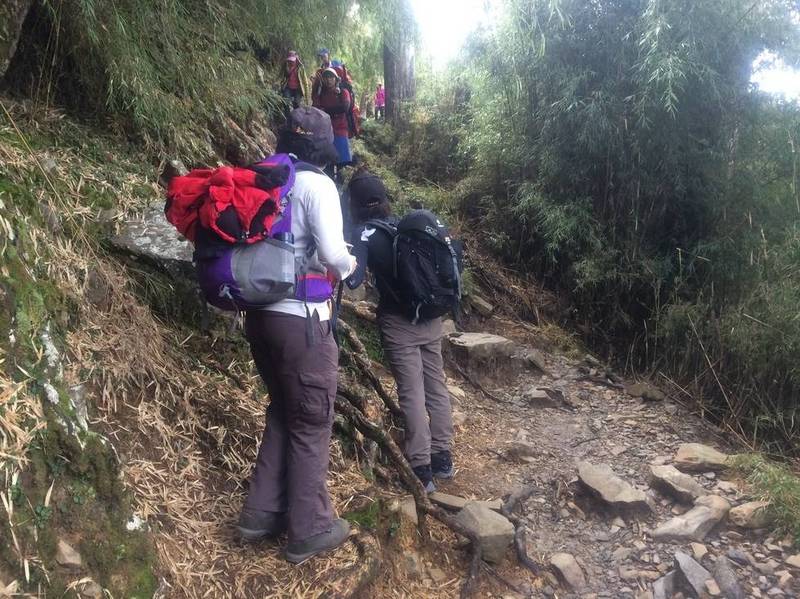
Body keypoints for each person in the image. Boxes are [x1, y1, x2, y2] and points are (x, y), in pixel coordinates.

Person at [237, 106, 357, 563]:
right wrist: (350, 265)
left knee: (284, 411)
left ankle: (260, 514)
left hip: (259, 317)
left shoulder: (263, 175)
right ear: (324, 149)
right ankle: (310, 528)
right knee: (311, 420)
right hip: (301, 322)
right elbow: (329, 251)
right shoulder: (316, 184)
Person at [345, 171, 454, 493]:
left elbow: (352, 281)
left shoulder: (364, 233)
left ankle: (420, 469)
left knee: (411, 392)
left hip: (398, 324)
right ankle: (443, 459)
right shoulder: (403, 227)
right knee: (436, 386)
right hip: (430, 319)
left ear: (354, 203)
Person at [312, 68, 352, 177]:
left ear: (336, 79)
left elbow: (345, 107)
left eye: (331, 77)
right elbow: (315, 108)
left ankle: (339, 183)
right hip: (325, 132)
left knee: (343, 162)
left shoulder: (343, 92)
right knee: (326, 163)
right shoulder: (321, 94)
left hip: (340, 129)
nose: (329, 80)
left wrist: (326, 111)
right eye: (326, 78)